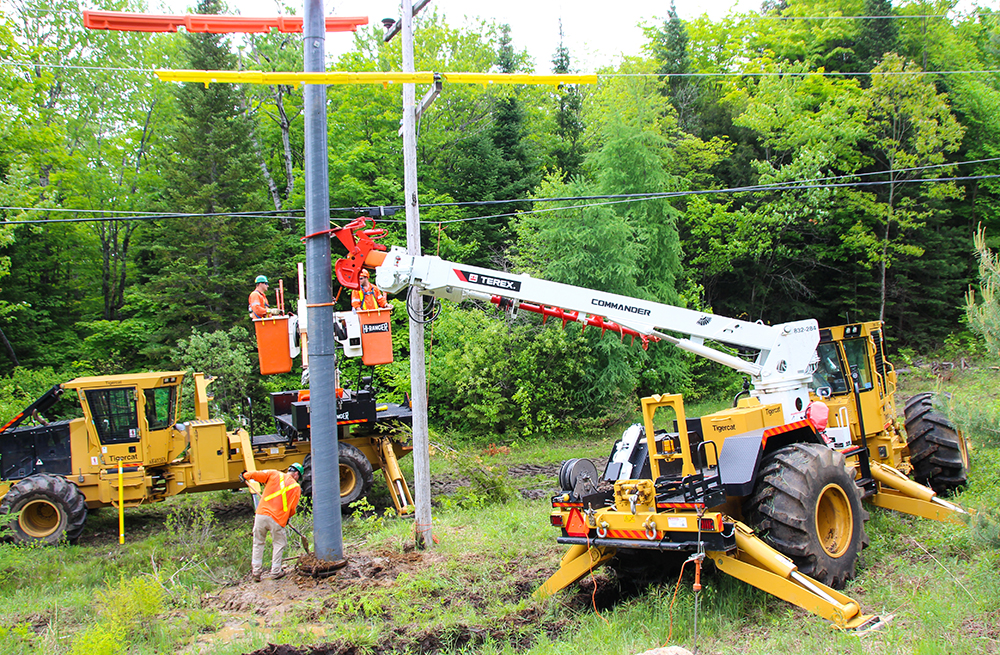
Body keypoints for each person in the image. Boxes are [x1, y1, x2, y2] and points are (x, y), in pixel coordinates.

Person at [243, 463, 303, 581]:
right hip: (277, 518)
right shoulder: (296, 488)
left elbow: (257, 474)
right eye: (298, 477)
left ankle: (256, 572)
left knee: (258, 542)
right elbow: (292, 509)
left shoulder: (274, 474)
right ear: (296, 474)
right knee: (279, 543)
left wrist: (245, 475)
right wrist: (286, 519)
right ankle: (275, 571)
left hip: (261, 515)